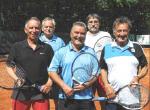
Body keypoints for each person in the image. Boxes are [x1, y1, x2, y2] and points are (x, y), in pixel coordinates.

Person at [48, 21, 100, 110]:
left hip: (87, 99)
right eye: (76, 33)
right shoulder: (61, 52)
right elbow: (52, 71)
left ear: (85, 35)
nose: (79, 36)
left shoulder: (91, 52)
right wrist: (64, 86)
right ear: (71, 34)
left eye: (82, 33)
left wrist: (87, 84)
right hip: (66, 98)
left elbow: (96, 72)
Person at [100, 16, 148, 110]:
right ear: (114, 32)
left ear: (128, 31)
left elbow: (145, 66)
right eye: (119, 30)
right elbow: (103, 68)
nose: (122, 34)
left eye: (124, 30)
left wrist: (138, 77)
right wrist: (106, 85)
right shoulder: (107, 48)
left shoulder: (137, 47)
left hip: (132, 99)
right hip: (112, 96)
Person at [6, 17, 54, 110]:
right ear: (25, 30)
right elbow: (9, 66)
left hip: (40, 92)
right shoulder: (17, 46)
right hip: (21, 92)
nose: (34, 30)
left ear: (40, 30)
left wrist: (49, 83)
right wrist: (16, 79)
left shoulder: (47, 48)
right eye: (31, 28)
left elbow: (54, 68)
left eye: (37, 28)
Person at [85, 13, 113, 109]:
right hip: (88, 74)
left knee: (105, 99)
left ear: (99, 23)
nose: (93, 24)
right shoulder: (82, 35)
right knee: (87, 100)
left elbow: (110, 55)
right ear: (87, 24)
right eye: (91, 22)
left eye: (96, 22)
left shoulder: (106, 35)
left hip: (103, 74)